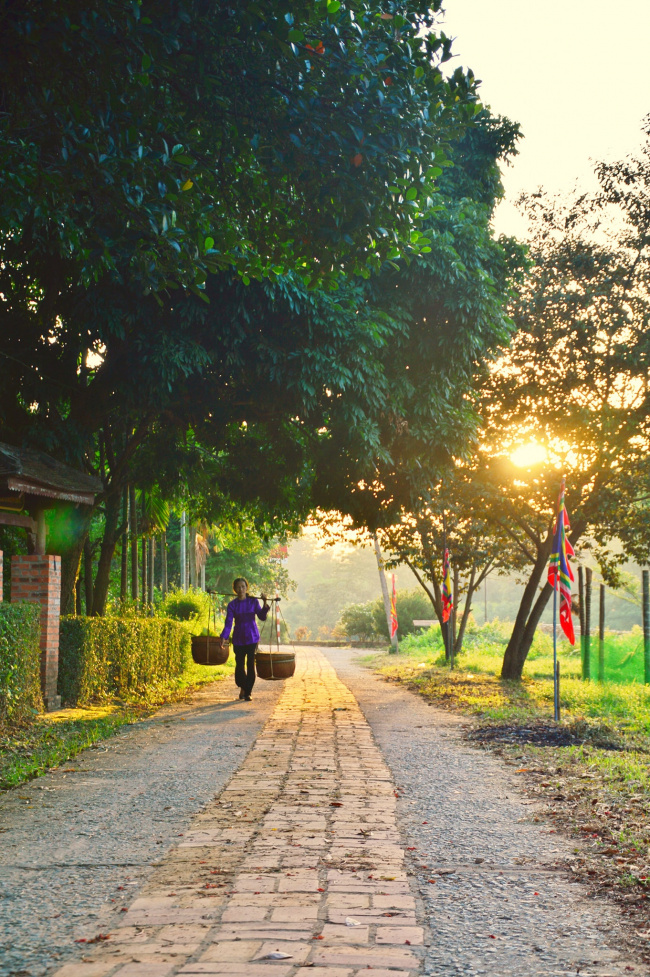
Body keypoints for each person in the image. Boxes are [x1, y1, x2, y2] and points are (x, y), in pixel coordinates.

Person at [220, 578, 270, 701]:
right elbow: (229, 623)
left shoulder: (253, 602)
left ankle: (247, 692)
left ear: (246, 588)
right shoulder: (232, 605)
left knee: (250, 664)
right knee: (239, 665)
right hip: (238, 638)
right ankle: (243, 686)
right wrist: (224, 636)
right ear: (235, 589)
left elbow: (262, 616)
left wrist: (264, 602)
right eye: (238, 587)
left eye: (243, 587)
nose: (241, 589)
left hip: (252, 637)